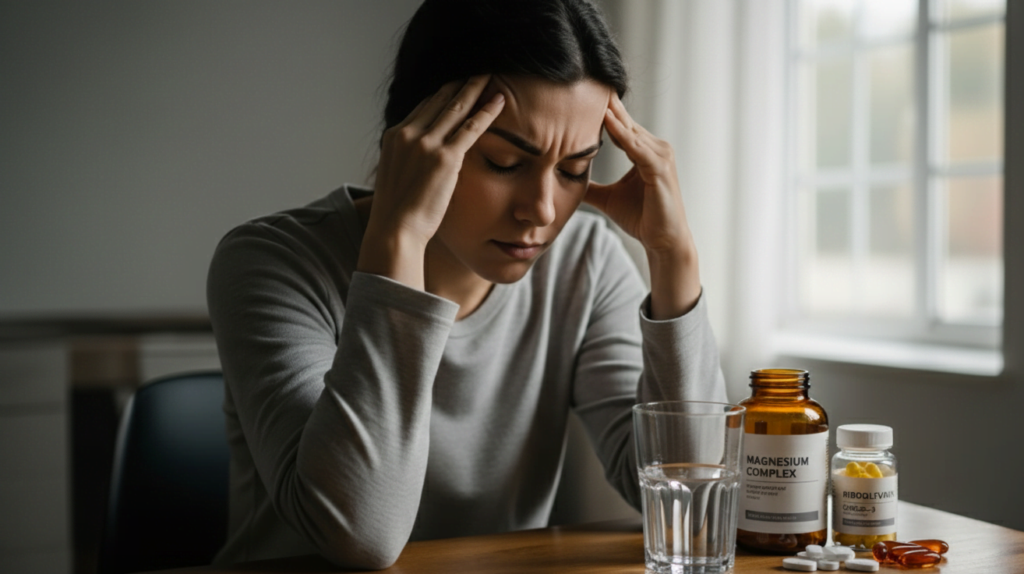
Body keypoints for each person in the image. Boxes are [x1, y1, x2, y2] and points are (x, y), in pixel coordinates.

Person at [206, 0, 727, 569]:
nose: (542, 210)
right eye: (504, 162)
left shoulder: (586, 262)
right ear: (413, 140)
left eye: (575, 170)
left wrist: (673, 257)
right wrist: (399, 241)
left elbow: (689, 498)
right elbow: (360, 535)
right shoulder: (271, 262)